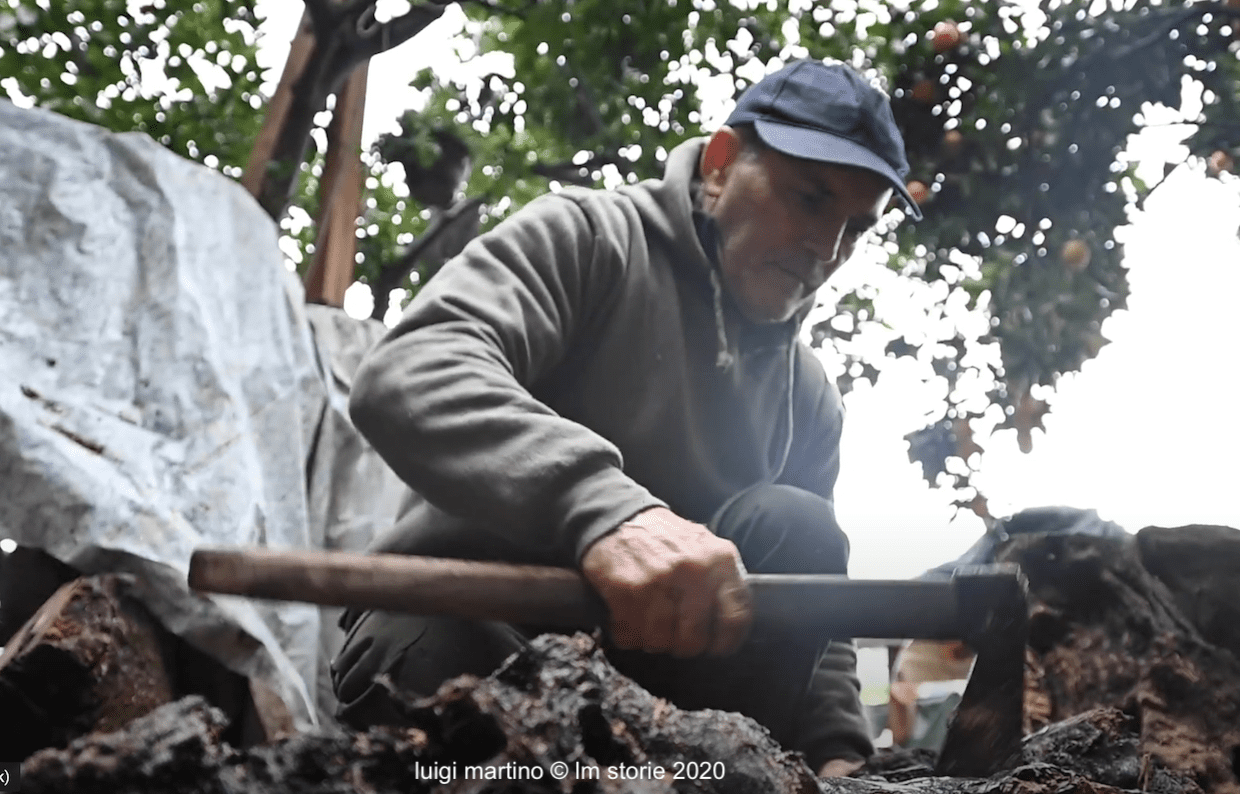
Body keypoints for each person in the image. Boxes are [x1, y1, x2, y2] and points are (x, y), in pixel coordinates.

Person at [330, 59, 923, 776]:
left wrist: (837, 753)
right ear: (720, 164)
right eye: (808, 198)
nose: (827, 250)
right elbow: (411, 371)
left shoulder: (810, 397)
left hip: (679, 706)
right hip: (480, 634)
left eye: (856, 228)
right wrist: (604, 510)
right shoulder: (588, 237)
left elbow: (816, 610)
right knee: (424, 645)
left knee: (798, 526)